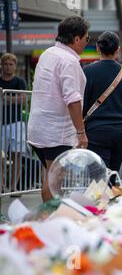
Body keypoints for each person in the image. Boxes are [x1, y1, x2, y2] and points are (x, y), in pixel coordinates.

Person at [27, 16, 90, 202]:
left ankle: (49, 217)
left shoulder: (48, 54)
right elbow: (72, 99)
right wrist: (81, 132)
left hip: (40, 127)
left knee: (51, 175)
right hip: (57, 131)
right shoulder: (68, 61)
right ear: (77, 39)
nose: (87, 43)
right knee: (55, 179)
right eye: (87, 38)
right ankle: (48, 219)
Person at [83, 31, 122, 178]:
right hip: (121, 131)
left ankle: (100, 201)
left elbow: (84, 103)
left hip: (97, 130)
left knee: (97, 179)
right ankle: (111, 200)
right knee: (112, 177)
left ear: (98, 48)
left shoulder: (88, 71)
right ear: (118, 50)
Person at [0, 53, 27, 192]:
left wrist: (5, 98)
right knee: (1, 156)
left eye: (11, 64)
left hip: (16, 123)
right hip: (1, 123)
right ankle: (2, 185)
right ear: (1, 65)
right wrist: (13, 98)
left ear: (15, 66)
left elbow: (23, 100)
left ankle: (13, 187)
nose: (8, 67)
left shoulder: (19, 81)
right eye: (6, 64)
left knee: (17, 155)